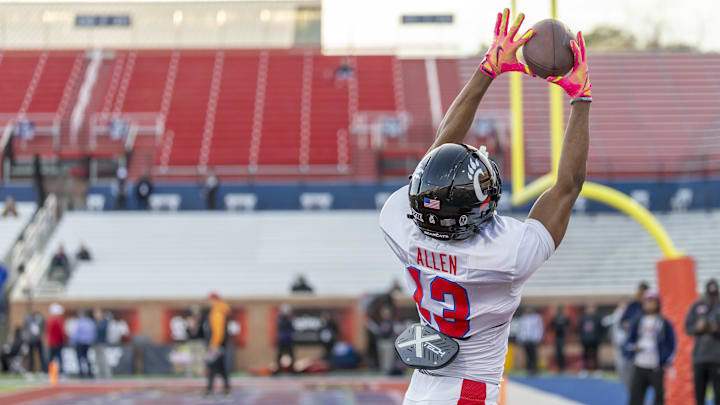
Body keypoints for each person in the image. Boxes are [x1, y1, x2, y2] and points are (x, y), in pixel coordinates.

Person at [378, 8, 591, 404]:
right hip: (469, 390)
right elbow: (567, 187)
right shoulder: (505, 254)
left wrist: (488, 69)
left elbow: (437, 155)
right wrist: (581, 98)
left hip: (423, 385)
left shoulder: (399, 222)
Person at [624, 292, 676, 405]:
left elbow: (672, 343)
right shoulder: (638, 321)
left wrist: (665, 360)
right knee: (635, 397)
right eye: (647, 301)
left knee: (659, 397)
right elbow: (628, 342)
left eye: (652, 301)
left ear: (657, 304)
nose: (649, 304)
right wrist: (634, 348)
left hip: (656, 366)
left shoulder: (663, 322)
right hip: (639, 364)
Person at [685, 279, 720, 405]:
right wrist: (697, 328)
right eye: (711, 295)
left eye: (715, 295)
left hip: (717, 358)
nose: (713, 298)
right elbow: (688, 328)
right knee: (699, 395)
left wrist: (716, 329)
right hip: (699, 357)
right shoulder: (697, 306)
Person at [205, 292, 230, 395]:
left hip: (217, 344)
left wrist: (214, 344)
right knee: (220, 366)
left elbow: (218, 331)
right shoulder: (220, 310)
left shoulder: (217, 312)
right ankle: (226, 387)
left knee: (212, 365)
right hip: (220, 343)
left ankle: (209, 388)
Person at [517, 308, 544, 375]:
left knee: (533, 354)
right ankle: (529, 368)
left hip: (533, 339)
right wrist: (520, 338)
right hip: (526, 339)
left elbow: (539, 328)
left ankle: (534, 368)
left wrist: (538, 337)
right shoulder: (523, 318)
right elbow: (521, 329)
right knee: (527, 354)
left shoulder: (536, 318)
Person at [71, 310, 96, 378]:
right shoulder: (91, 322)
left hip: (80, 343)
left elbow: (75, 333)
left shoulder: (79, 322)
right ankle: (90, 372)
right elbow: (93, 333)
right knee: (87, 357)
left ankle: (81, 373)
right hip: (88, 343)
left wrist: (72, 341)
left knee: (79, 358)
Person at [578, 303, 603, 372]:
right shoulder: (583, 317)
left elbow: (602, 328)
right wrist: (582, 337)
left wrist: (599, 337)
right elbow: (579, 328)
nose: (591, 309)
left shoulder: (598, 317)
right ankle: (584, 369)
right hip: (585, 340)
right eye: (589, 307)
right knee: (585, 355)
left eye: (592, 307)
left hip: (595, 340)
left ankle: (596, 369)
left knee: (595, 355)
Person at [275, 304, 295, 374]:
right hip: (282, 340)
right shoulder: (281, 319)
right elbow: (281, 327)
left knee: (291, 354)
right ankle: (278, 369)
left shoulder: (289, 319)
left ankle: (292, 369)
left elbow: (292, 329)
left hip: (288, 340)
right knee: (279, 355)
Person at [550, 305, 570, 372]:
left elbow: (569, 326)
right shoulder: (555, 318)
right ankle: (559, 367)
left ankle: (563, 367)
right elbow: (551, 326)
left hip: (563, 337)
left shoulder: (565, 318)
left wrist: (564, 328)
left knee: (562, 352)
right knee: (558, 352)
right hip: (557, 337)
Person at [46, 303, 66, 373]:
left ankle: (51, 372)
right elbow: (60, 332)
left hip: (52, 342)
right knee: (58, 358)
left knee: (52, 358)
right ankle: (59, 371)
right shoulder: (57, 321)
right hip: (57, 342)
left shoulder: (49, 320)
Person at [94, 309, 111, 379]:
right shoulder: (96, 322)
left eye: (97, 314)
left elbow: (101, 330)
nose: (96, 316)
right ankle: (99, 375)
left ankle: (107, 375)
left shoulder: (104, 322)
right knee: (97, 360)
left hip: (102, 343)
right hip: (96, 343)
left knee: (103, 360)